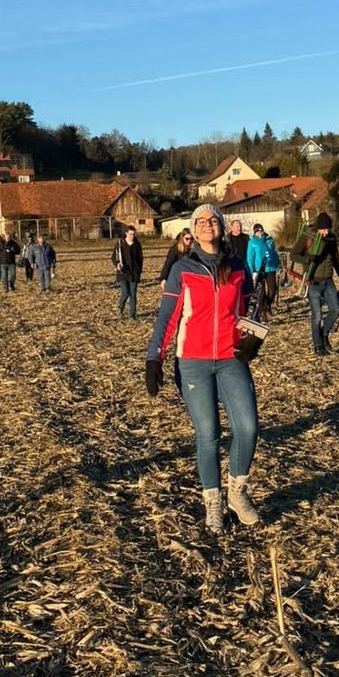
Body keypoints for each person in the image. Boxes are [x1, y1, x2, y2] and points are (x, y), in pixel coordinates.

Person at [146, 204, 261, 534]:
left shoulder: (237, 266)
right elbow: (167, 317)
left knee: (248, 427)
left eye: (213, 220)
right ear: (193, 230)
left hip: (230, 359)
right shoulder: (183, 269)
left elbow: (247, 307)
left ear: (221, 226)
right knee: (208, 435)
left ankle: (237, 494)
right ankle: (213, 503)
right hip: (193, 362)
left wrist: (251, 336)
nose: (208, 225)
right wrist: (155, 357)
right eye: (201, 222)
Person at [290, 212, 339, 355]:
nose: (326, 232)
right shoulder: (307, 237)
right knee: (317, 315)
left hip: (328, 281)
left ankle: (324, 335)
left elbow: (336, 259)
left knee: (335, 310)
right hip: (313, 281)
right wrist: (308, 259)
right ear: (317, 228)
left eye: (328, 229)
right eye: (323, 229)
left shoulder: (331, 239)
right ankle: (318, 345)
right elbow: (293, 255)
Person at [245, 223, 282, 319]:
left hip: (271, 268)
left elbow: (274, 253)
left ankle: (268, 305)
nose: (259, 233)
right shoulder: (252, 242)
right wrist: (251, 271)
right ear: (254, 232)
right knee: (261, 292)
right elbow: (250, 258)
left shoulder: (269, 240)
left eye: (260, 231)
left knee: (272, 290)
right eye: (257, 232)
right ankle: (262, 311)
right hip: (259, 269)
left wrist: (278, 264)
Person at [112, 224, 145, 319]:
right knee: (126, 293)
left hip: (134, 273)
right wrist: (117, 264)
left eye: (134, 234)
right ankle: (121, 307)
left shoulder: (137, 245)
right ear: (126, 233)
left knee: (133, 295)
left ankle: (132, 314)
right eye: (131, 234)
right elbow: (114, 257)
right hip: (123, 273)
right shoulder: (120, 244)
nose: (132, 236)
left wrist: (139, 270)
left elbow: (140, 258)